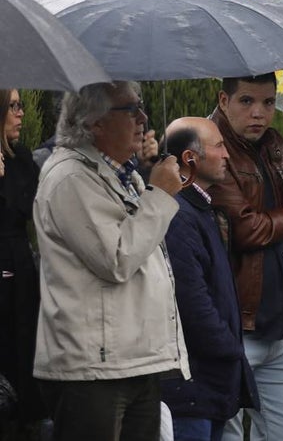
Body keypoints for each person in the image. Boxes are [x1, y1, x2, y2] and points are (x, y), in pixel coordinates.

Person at [33, 81, 188, 440]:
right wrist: (160, 195)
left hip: (133, 360)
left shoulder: (124, 173)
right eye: (130, 109)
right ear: (94, 122)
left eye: (141, 106)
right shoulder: (69, 178)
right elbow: (117, 258)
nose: (143, 118)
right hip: (95, 369)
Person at [209, 73, 283, 441]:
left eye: (268, 103)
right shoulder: (212, 148)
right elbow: (247, 230)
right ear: (224, 101)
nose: (259, 112)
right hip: (233, 320)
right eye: (247, 101)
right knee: (225, 431)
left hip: (276, 321)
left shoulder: (273, 143)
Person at [160, 117, 257, 441]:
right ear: (190, 159)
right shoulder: (179, 215)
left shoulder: (201, 209)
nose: (227, 154)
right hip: (192, 385)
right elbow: (192, 300)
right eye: (218, 146)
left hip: (207, 383)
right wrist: (230, 347)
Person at [0, 89, 46, 433]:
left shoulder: (20, 159)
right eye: (13, 106)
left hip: (21, 277)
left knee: (22, 356)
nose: (21, 113)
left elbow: (33, 209)